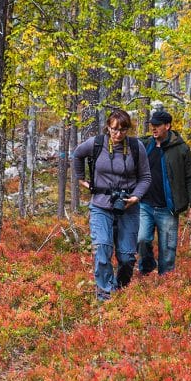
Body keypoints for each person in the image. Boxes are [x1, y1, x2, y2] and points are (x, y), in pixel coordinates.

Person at [73, 109, 152, 302]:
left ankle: (120, 289)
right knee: (102, 248)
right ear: (108, 127)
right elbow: (77, 155)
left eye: (123, 130)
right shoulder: (97, 144)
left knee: (126, 258)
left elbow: (145, 177)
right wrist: (81, 179)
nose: (118, 134)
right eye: (114, 129)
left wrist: (136, 197)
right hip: (100, 206)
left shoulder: (136, 147)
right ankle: (105, 294)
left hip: (128, 208)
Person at [138, 110, 191, 275]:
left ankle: (165, 283)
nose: (154, 128)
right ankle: (146, 272)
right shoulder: (144, 145)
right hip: (145, 205)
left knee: (167, 251)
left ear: (167, 126)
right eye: (152, 125)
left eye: (157, 125)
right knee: (142, 240)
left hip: (168, 208)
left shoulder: (181, 149)